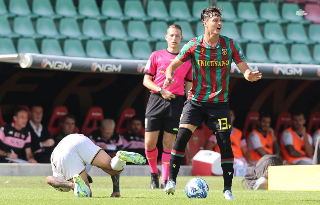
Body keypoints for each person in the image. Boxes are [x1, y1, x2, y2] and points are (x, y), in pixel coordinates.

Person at [162, 6, 262, 200]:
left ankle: (227, 190)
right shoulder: (193, 44)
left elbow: (245, 70)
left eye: (220, 20)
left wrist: (250, 76)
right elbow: (173, 64)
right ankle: (171, 181)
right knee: (181, 137)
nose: (219, 23)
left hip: (220, 103)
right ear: (205, 23)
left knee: (225, 144)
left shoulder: (230, 45)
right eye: (215, 20)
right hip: (196, 101)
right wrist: (169, 76)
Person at [143, 24, 192, 189]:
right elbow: (146, 80)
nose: (174, 38)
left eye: (177, 35)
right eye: (171, 35)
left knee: (168, 144)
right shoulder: (156, 55)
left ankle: (165, 180)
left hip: (176, 103)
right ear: (166, 37)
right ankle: (153, 173)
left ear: (181, 38)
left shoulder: (187, 61)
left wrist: (188, 103)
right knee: (149, 143)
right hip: (156, 99)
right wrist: (161, 90)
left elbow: (189, 85)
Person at [46, 133, 146, 197]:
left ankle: (79, 187)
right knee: (113, 167)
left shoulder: (62, 179)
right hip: (78, 139)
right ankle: (119, 157)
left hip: (63, 153)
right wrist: (116, 190)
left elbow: (49, 179)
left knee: (86, 194)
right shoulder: (82, 166)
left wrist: (72, 185)